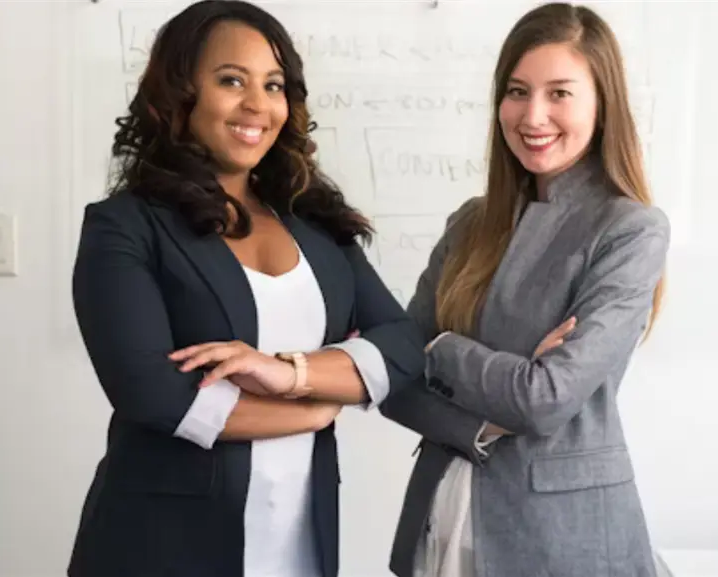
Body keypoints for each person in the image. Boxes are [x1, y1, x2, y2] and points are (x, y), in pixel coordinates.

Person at [65, 1, 425, 576]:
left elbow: (403, 345)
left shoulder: (316, 226)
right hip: (163, 546)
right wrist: (311, 413)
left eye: (274, 85)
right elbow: (152, 394)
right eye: (232, 80)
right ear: (180, 94)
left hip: (300, 544)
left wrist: (294, 375)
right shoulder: (126, 226)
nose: (258, 105)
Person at [379, 3, 670, 577]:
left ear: (601, 102)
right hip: (443, 512)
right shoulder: (470, 223)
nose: (533, 115)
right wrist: (480, 424)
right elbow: (391, 376)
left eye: (559, 93)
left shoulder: (631, 229)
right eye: (517, 91)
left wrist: (442, 350)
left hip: (562, 537)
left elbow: (544, 400)